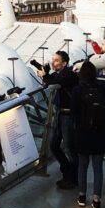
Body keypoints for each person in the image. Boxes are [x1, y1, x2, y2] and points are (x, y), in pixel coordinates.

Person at [70, 60, 105, 208]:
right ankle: (97, 200)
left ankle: (82, 196)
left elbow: (73, 112)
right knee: (98, 167)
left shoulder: (76, 91)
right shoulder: (103, 88)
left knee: (82, 165)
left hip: (83, 132)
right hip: (100, 131)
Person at [37, 50, 78, 189]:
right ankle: (67, 171)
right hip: (60, 114)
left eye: (56, 61)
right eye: (53, 60)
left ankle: (73, 178)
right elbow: (51, 81)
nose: (53, 63)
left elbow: (54, 84)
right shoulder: (60, 73)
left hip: (68, 115)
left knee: (69, 147)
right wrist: (46, 74)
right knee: (54, 145)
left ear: (64, 63)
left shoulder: (68, 74)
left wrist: (45, 76)